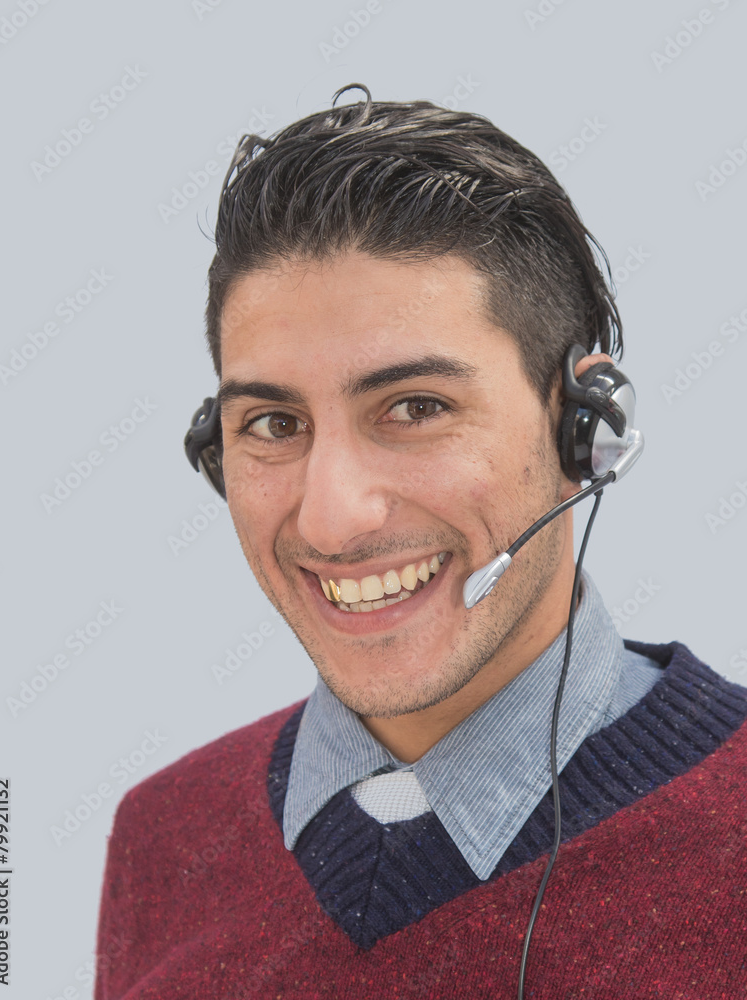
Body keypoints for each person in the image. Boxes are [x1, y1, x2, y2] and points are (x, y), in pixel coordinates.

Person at [94, 84, 747, 999]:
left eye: (415, 408)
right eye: (274, 424)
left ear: (585, 434)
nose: (331, 518)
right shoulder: (162, 835)